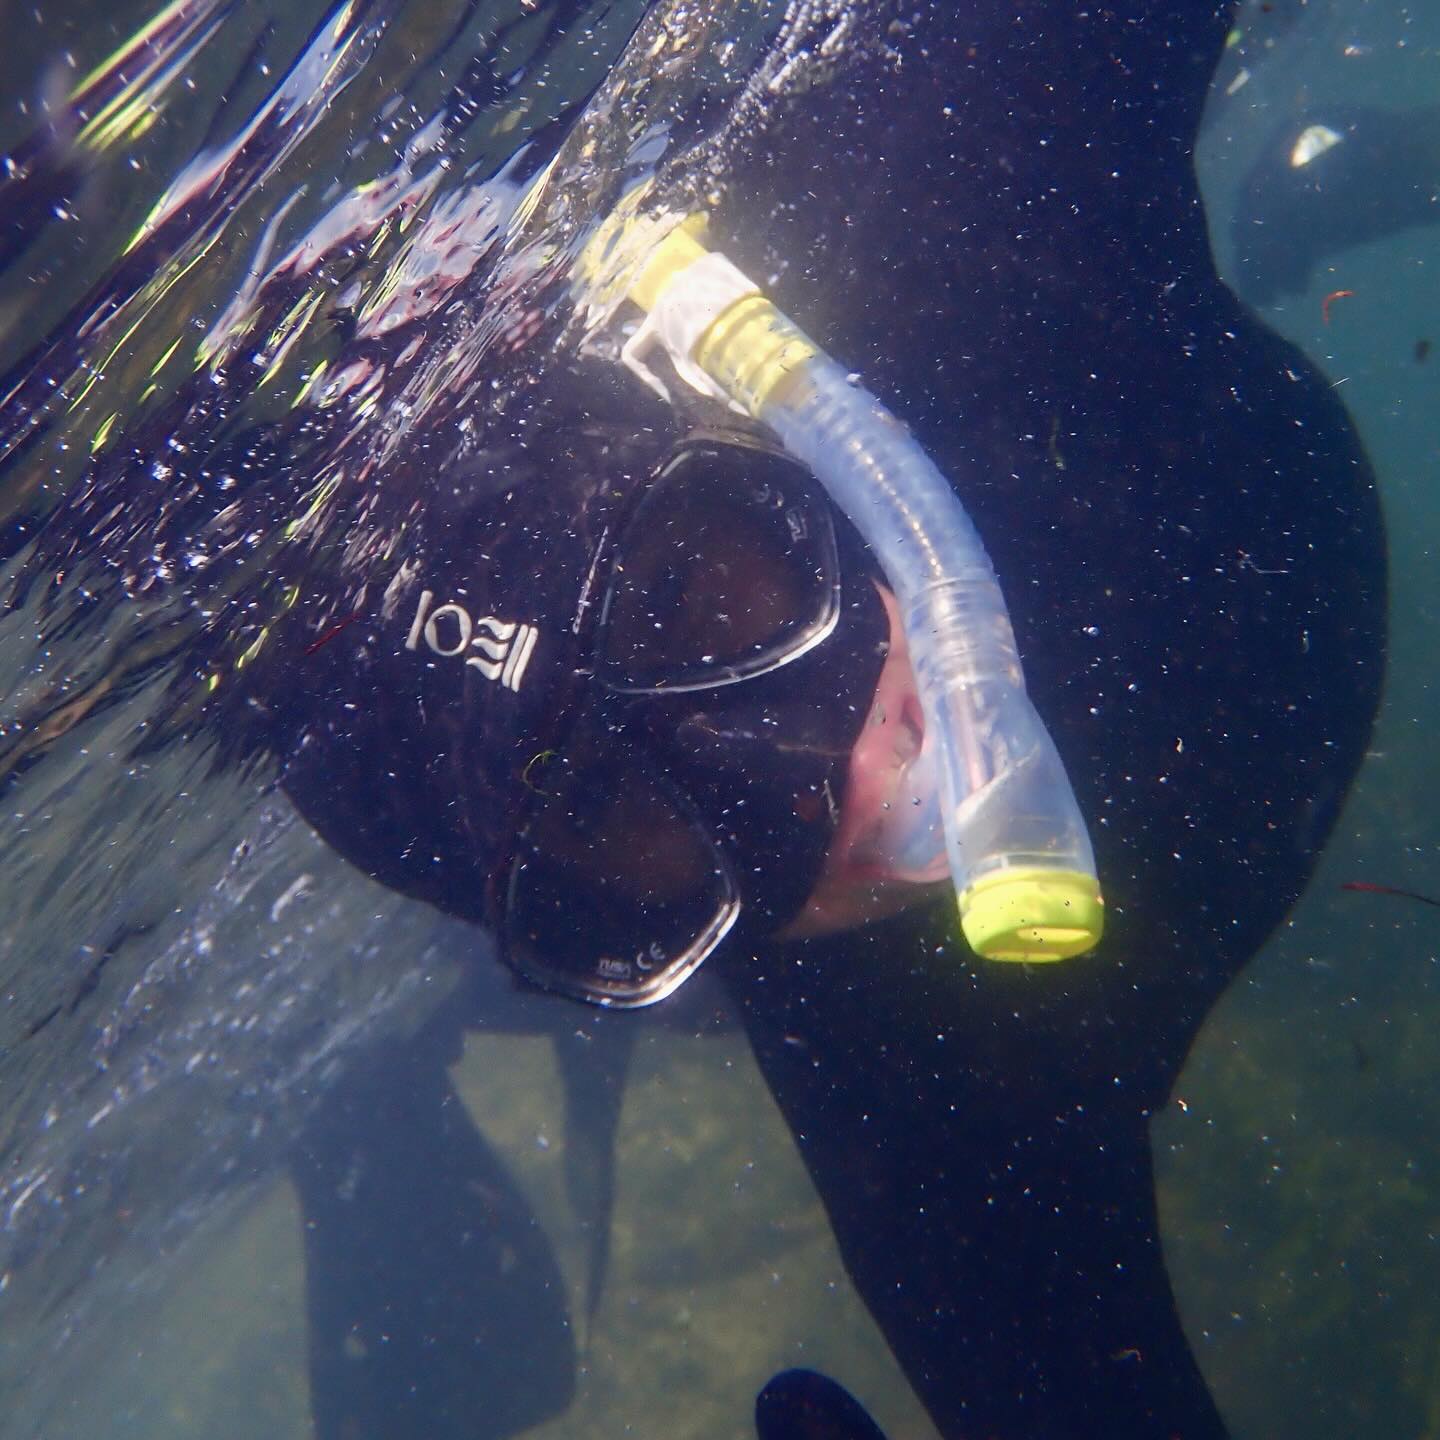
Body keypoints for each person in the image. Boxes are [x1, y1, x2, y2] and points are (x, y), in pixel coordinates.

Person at [0, 3, 1387, 1438]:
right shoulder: (926, 1082)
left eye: (710, 600)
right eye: (645, 839)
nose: (860, 774)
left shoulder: (910, 177)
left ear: (719, 431)